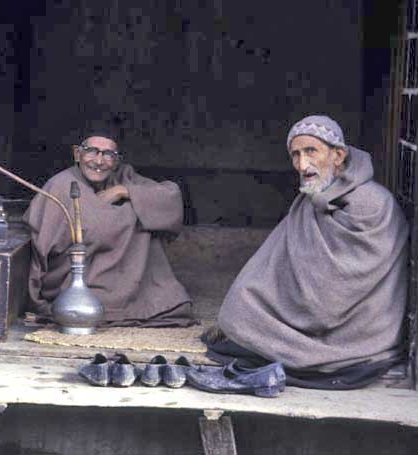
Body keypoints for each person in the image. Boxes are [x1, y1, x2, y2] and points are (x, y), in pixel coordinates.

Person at [206, 115, 408, 389]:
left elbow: (333, 295)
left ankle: (303, 350)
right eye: (295, 155)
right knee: (237, 310)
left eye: (311, 151)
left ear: (338, 155)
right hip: (308, 307)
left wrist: (291, 303)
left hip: (355, 328)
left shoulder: (372, 203)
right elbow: (274, 261)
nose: (302, 164)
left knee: (243, 328)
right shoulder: (310, 199)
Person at [23, 133, 195, 327]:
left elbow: (169, 196)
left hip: (125, 279)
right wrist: (127, 215)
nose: (99, 161)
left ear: (116, 161)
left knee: (173, 304)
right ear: (76, 154)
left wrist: (125, 191)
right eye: (91, 152)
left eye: (108, 154)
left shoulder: (122, 177)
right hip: (76, 279)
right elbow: (47, 244)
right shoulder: (61, 185)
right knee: (135, 213)